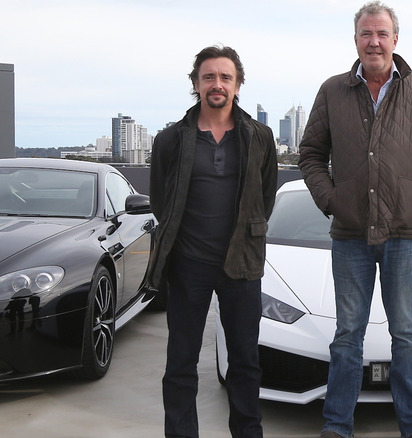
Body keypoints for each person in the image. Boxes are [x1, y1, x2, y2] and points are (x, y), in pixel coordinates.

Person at [297, 2, 412, 438]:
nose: (374, 41)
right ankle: (336, 425)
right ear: (355, 40)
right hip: (349, 233)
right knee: (347, 334)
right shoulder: (333, 91)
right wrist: (331, 200)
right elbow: (310, 154)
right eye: (366, 34)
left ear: (395, 39)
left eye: (382, 33)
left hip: (404, 234)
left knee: (405, 333)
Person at [146, 45, 278, 438]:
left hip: (241, 264)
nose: (216, 84)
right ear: (195, 84)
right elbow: (160, 199)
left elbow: (265, 197)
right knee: (181, 362)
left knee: (245, 363)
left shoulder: (260, 137)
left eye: (225, 77)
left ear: (237, 85)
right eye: (208, 77)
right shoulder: (171, 140)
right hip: (188, 265)